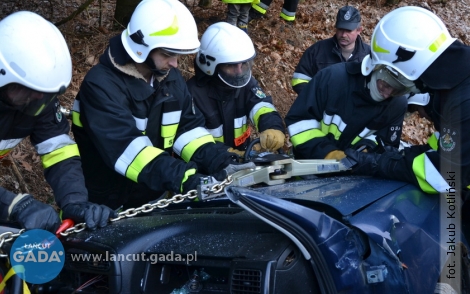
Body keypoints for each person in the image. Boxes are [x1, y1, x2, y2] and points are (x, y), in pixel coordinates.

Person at [72, 0, 253, 210]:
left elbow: (188, 130)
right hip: (105, 206)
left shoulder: (170, 78)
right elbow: (129, 151)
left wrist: (223, 161)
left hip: (152, 196)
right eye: (167, 54)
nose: (175, 64)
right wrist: (186, 178)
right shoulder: (100, 86)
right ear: (141, 48)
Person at [0, 11, 115, 233]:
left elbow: (59, 153)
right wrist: (13, 205)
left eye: (44, 94)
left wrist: (74, 201)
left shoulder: (34, 100)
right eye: (31, 90)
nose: (37, 98)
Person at [343, 6, 469, 198]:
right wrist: (402, 156)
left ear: (410, 63)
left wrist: (379, 164)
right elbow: (445, 147)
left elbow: (446, 176)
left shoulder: (462, 101)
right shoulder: (457, 80)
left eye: (394, 76)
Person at [285, 55, 417, 160]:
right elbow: (299, 121)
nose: (388, 94)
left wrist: (367, 151)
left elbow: (387, 143)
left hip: (354, 179)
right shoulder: (333, 78)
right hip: (305, 168)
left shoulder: (397, 104)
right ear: (375, 68)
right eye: (386, 85)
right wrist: (327, 153)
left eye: (397, 90)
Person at [187, 22, 285, 157]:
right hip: (207, 169)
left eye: (244, 64)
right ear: (210, 65)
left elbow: (262, 106)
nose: (239, 72)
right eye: (231, 66)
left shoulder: (246, 84)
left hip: (245, 160)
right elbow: (193, 142)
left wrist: (273, 128)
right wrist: (227, 156)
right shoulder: (191, 95)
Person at [291, 6, 370, 95]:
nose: (343, 35)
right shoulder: (317, 50)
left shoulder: (369, 56)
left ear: (359, 30)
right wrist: (316, 101)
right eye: (340, 29)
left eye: (348, 30)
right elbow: (299, 80)